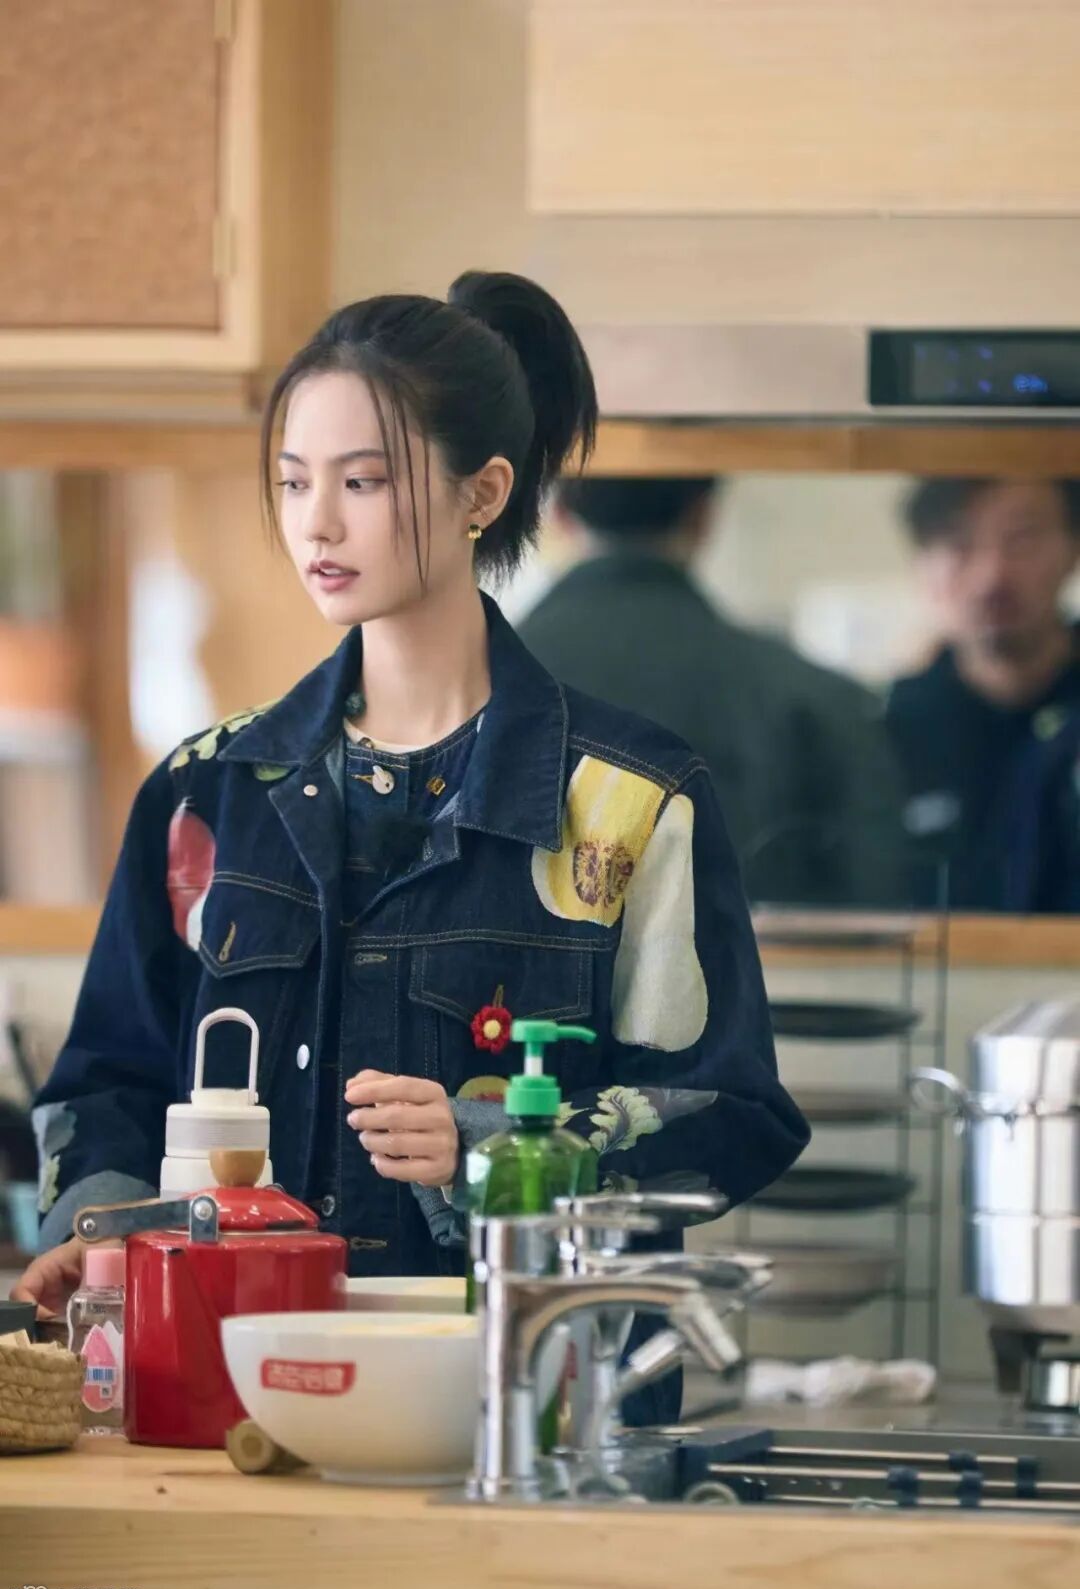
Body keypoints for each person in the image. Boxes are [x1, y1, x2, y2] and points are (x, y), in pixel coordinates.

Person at [13, 273, 808, 1424]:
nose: (317, 524)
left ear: (484, 491)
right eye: (294, 481)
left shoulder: (631, 801)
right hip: (237, 1398)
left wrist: (492, 1146)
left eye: (364, 481)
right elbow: (108, 1083)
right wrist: (100, 1234)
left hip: (529, 1414)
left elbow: (729, 1111)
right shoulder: (209, 793)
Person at [516, 477, 905, 907]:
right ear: (703, 517)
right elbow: (874, 895)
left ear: (557, 515)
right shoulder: (813, 700)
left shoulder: (480, 679)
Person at [886, 478, 1080, 910]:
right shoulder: (889, 731)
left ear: (1072, 550)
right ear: (923, 564)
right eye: (959, 544)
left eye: (1022, 540)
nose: (993, 574)